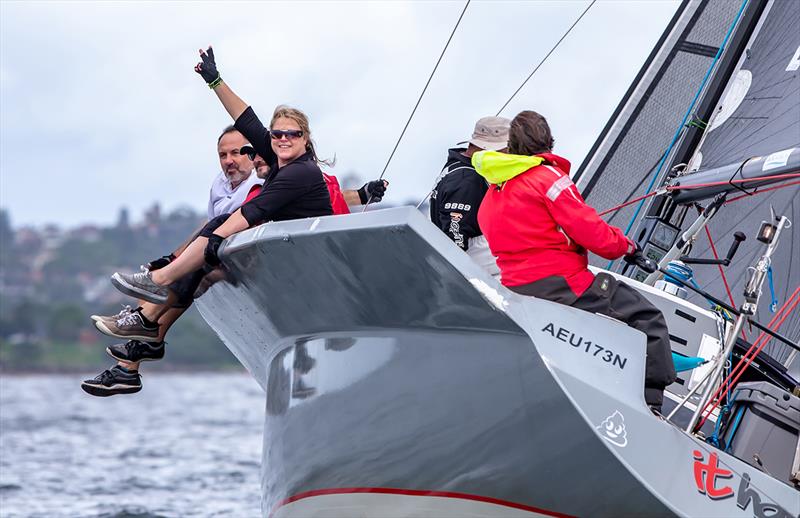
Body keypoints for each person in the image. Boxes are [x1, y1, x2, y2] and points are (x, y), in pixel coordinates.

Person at [82, 47, 388, 396]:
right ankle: (144, 331)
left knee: (212, 242)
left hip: (309, 270)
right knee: (204, 259)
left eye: (291, 134)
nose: (282, 139)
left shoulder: (299, 174)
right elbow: (247, 120)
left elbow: (252, 213)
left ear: (306, 139)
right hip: (283, 260)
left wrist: (214, 239)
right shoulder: (279, 160)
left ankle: (153, 299)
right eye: (277, 134)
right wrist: (214, 80)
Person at [472, 110, 676, 411]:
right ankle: (651, 409)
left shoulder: (493, 193)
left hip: (516, 289)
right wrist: (627, 246)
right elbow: (594, 235)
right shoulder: (547, 178)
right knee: (647, 318)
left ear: (512, 145)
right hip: (562, 285)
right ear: (548, 142)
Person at [429, 116, 509, 276]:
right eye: (506, 150)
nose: (509, 155)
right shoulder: (467, 180)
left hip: (479, 274)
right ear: (491, 149)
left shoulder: (458, 166)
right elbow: (455, 240)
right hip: (479, 278)